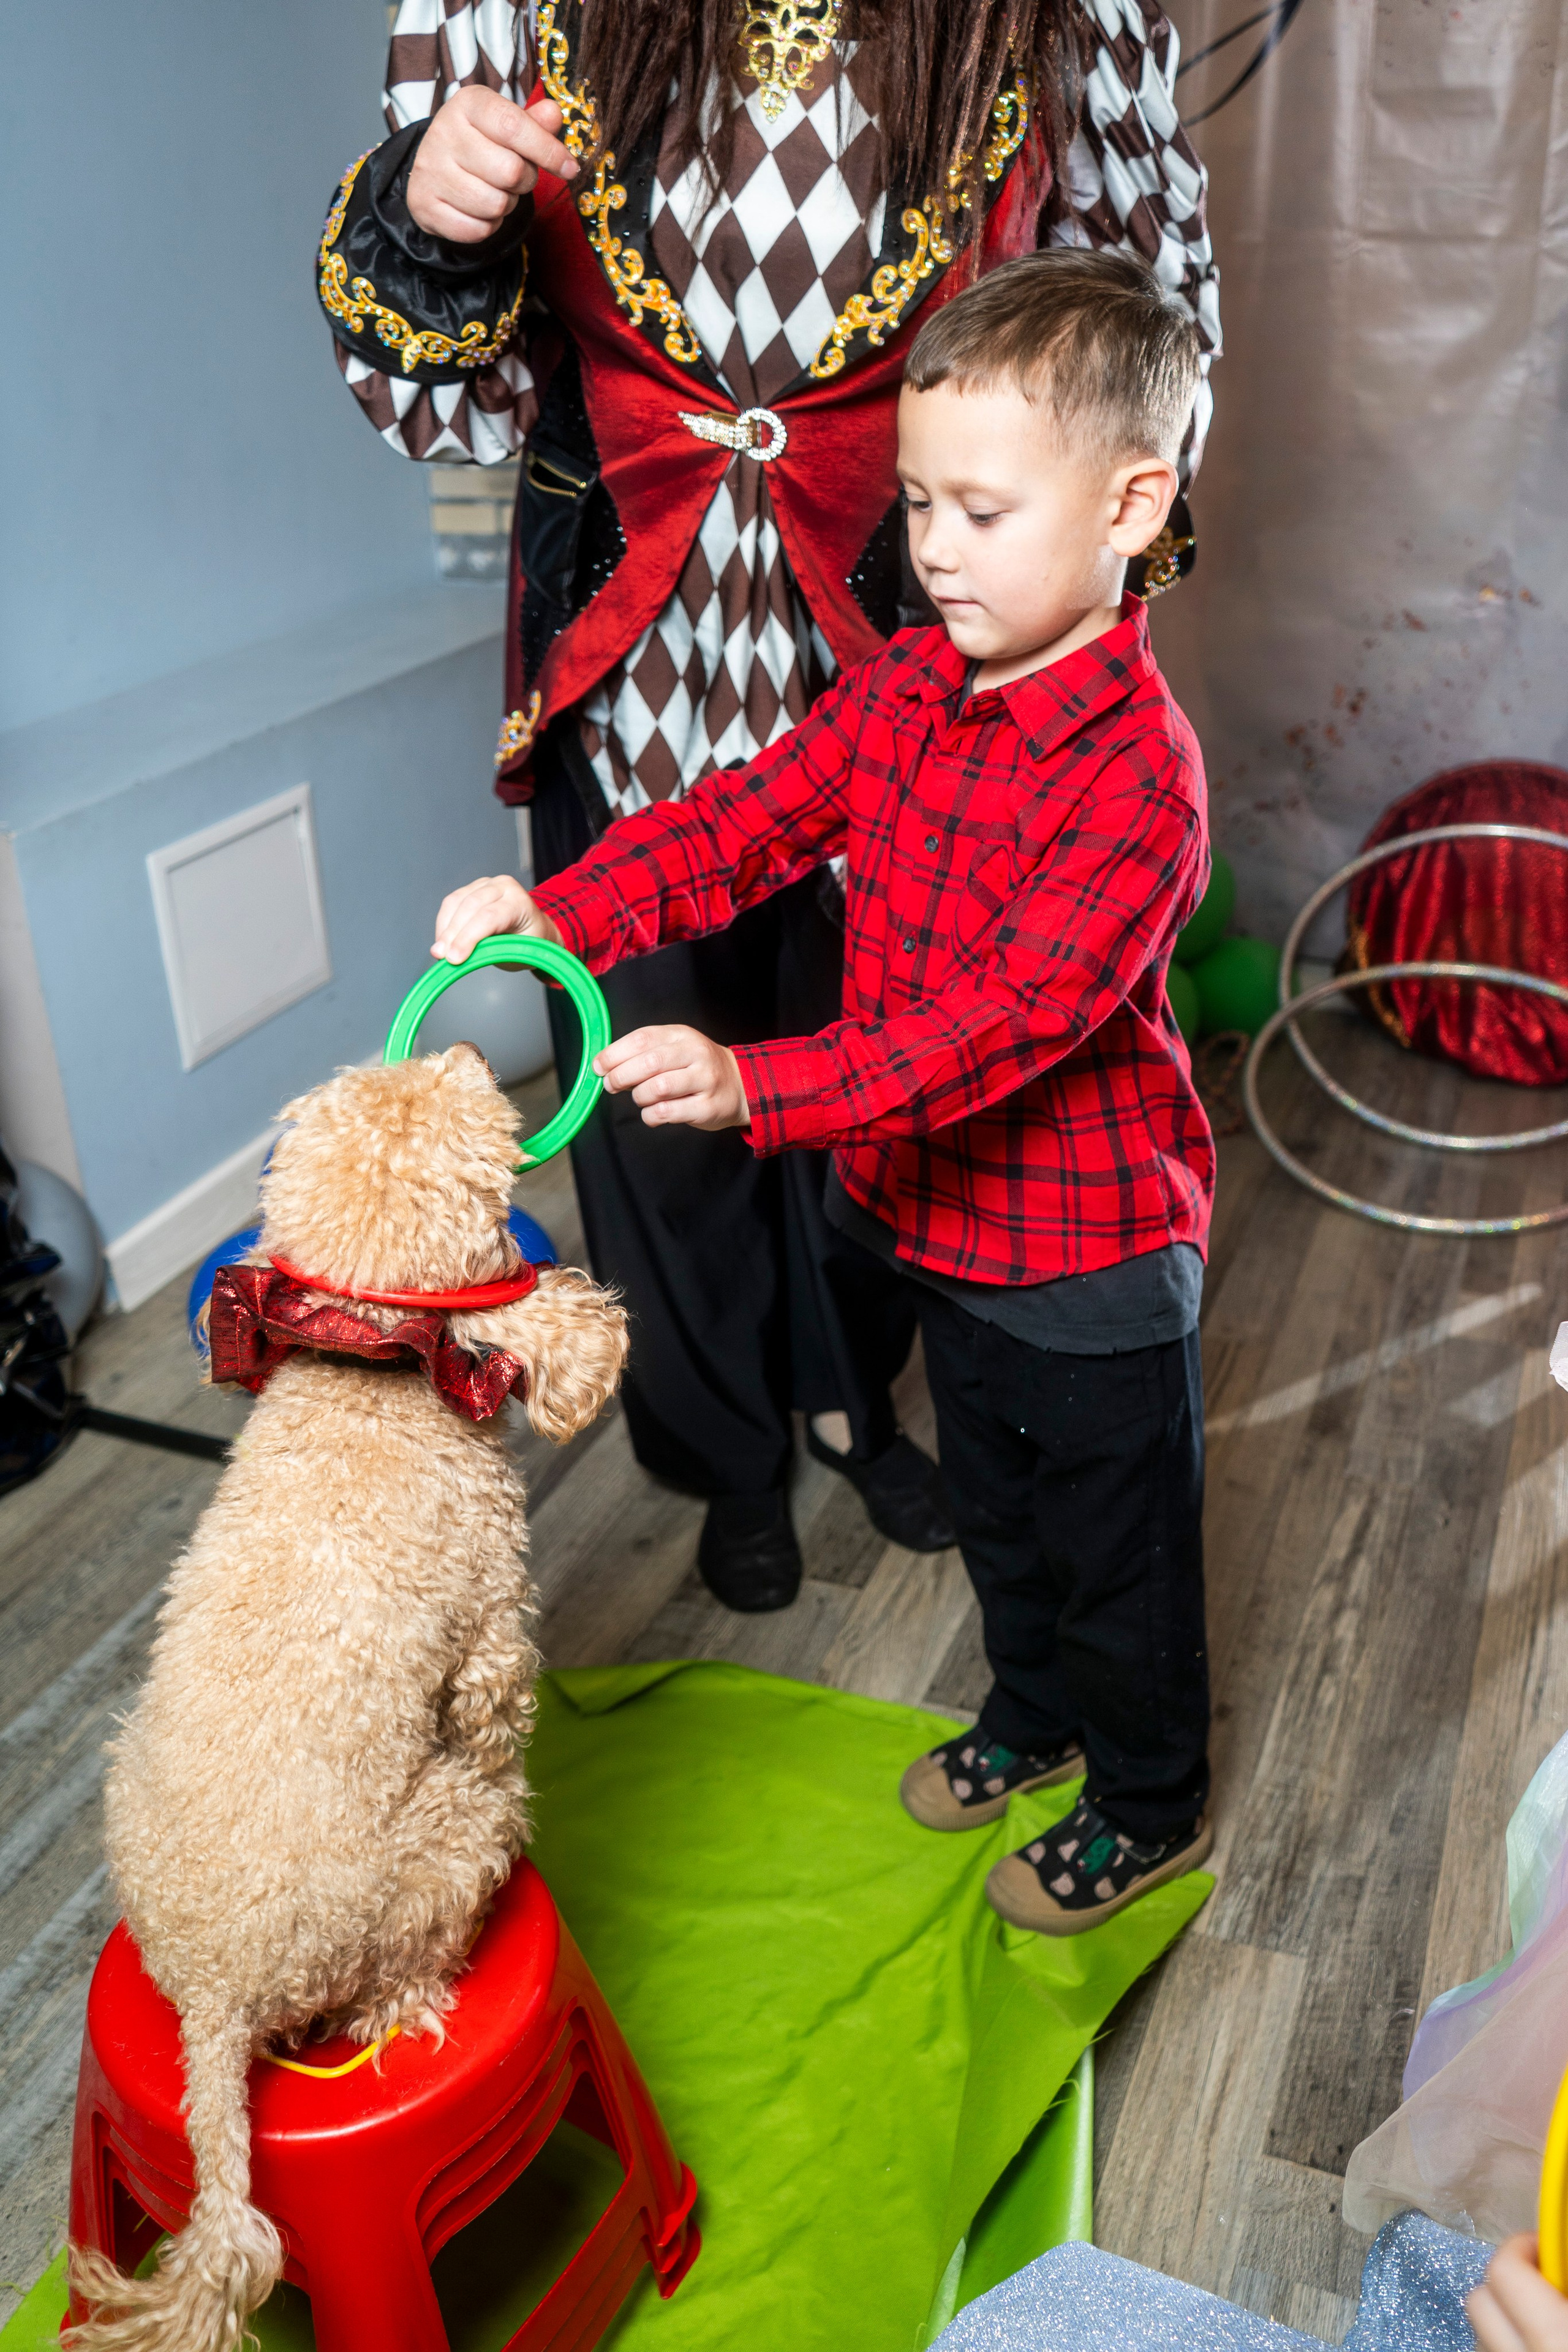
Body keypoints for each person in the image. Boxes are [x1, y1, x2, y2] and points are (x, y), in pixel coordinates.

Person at [326, 0, 1219, 1615]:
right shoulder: (513, 7)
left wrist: (1054, 606)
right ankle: (724, 1453)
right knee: (646, 1102)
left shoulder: (1067, 16)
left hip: (901, 637)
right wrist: (426, 205)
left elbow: (1134, 325)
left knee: (875, 1079)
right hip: (633, 633)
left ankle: (849, 1400)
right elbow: (438, 410)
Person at [434, 246, 1215, 1930]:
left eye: (981, 512)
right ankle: (1032, 1716)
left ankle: (1147, 1798)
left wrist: (755, 1083)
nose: (930, 546)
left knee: (1119, 1562)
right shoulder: (912, 684)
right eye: (917, 501)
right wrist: (556, 908)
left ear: (1129, 505)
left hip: (1090, 1271)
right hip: (947, 1239)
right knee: (999, 1523)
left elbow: (990, 1033)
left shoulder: (1139, 775)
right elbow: (746, 821)